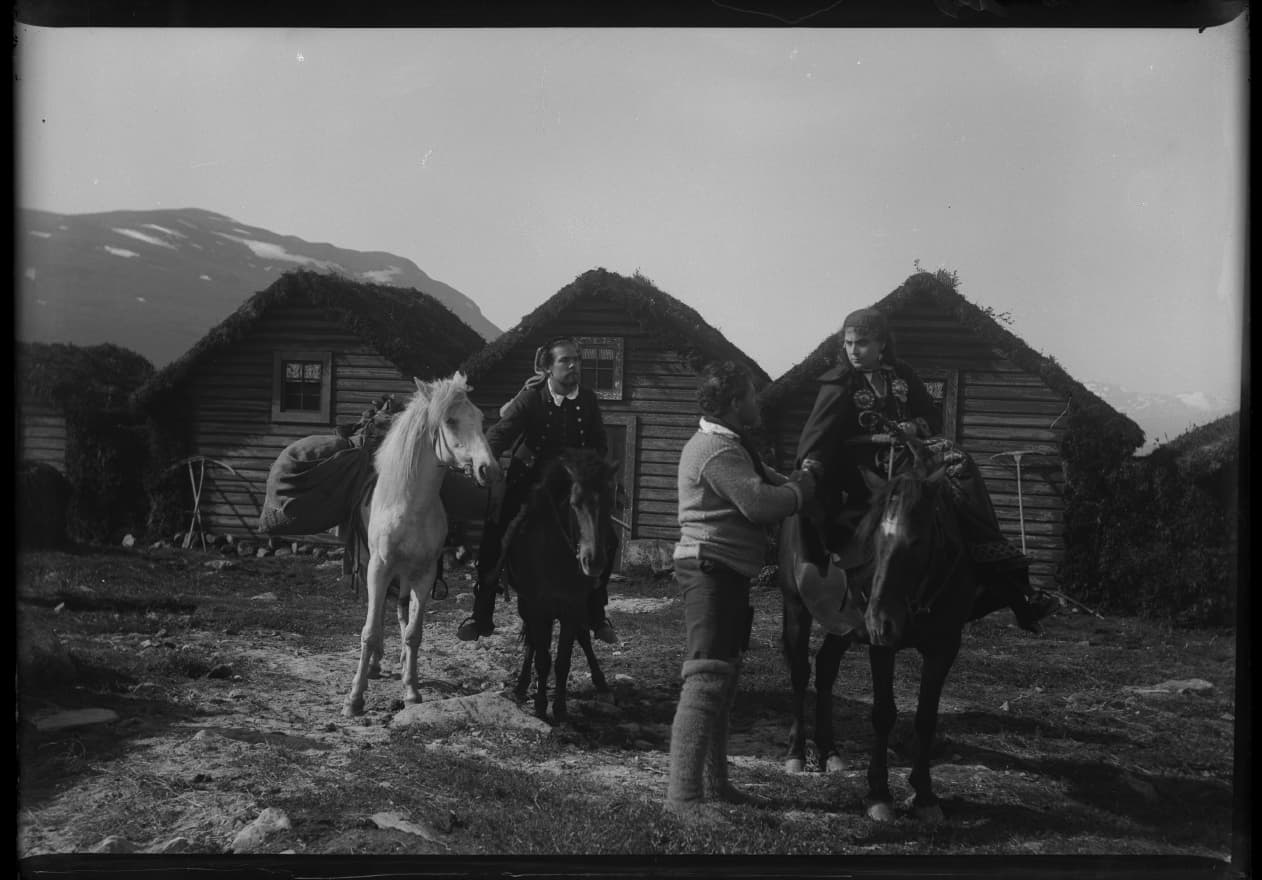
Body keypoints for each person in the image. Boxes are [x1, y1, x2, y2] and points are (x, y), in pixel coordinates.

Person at [794, 307, 1059, 634]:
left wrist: (914, 426)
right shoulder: (839, 382)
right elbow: (817, 435)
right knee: (948, 461)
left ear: (881, 344)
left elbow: (931, 418)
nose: (853, 351)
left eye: (861, 343)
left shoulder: (901, 374)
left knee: (957, 463)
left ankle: (994, 555)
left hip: (908, 456)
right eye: (848, 344)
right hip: (861, 468)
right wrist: (811, 466)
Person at [665, 361, 816, 820]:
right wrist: (804, 489)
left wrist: (793, 479)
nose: (758, 402)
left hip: (726, 572)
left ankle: (714, 786)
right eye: (751, 395)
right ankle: (682, 800)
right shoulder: (715, 450)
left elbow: (768, 478)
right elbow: (759, 503)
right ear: (733, 403)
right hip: (709, 571)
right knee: (705, 678)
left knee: (722, 679)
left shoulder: (731, 444)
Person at [457, 336, 619, 643]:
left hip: (574, 484)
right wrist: (485, 460)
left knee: (607, 538)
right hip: (532, 482)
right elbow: (499, 435)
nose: (573, 366)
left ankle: (597, 614)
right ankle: (482, 614)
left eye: (576, 360)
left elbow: (599, 442)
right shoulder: (531, 398)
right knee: (498, 533)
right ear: (548, 368)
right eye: (565, 360)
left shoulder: (588, 399)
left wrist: (587, 469)